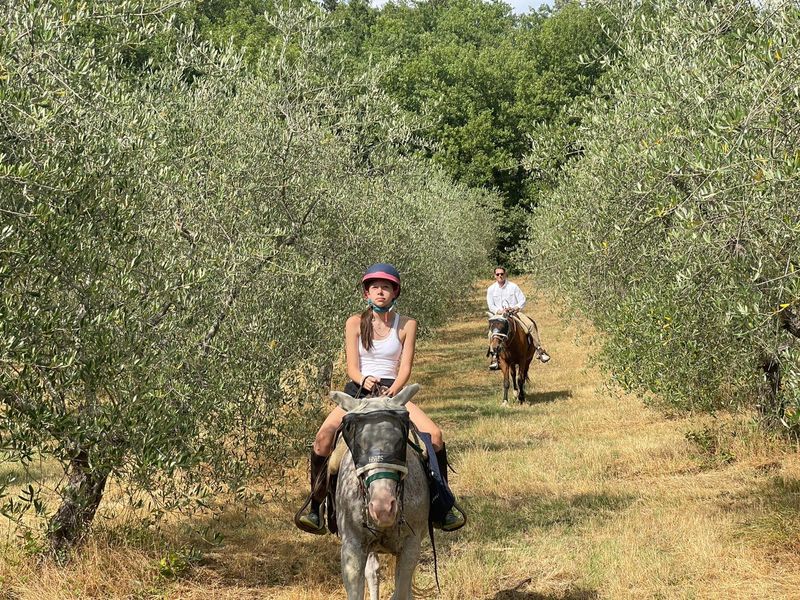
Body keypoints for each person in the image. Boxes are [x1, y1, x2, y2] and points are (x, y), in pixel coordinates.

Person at [296, 263, 466, 534]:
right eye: (374, 287)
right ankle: (316, 507)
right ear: (366, 293)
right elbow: (352, 366)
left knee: (434, 435)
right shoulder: (354, 323)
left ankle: (442, 505)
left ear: (395, 292)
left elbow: (406, 368)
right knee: (323, 439)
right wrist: (363, 379)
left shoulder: (407, 324)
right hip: (359, 391)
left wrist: (394, 390)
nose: (380, 292)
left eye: (386, 287)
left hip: (392, 392)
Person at [486, 267, 550, 370]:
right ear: (494, 276)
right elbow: (491, 305)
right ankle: (494, 356)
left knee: (530, 325)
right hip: (499, 316)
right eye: (497, 274)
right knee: (491, 333)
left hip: (514, 313)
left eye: (501, 274)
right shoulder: (491, 289)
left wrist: (515, 308)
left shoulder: (513, 287)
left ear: (505, 274)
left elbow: (522, 300)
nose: (500, 276)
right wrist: (500, 311)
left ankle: (539, 349)